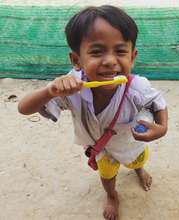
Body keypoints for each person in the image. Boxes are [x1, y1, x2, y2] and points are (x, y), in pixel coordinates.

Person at [18, 5, 168, 220]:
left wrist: (162, 128)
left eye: (120, 51)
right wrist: (49, 91)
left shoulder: (138, 88)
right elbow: (23, 108)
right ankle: (112, 195)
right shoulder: (70, 88)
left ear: (132, 57)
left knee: (138, 160)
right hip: (101, 150)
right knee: (106, 175)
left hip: (131, 145)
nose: (109, 61)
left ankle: (138, 170)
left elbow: (158, 103)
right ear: (77, 60)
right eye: (96, 52)